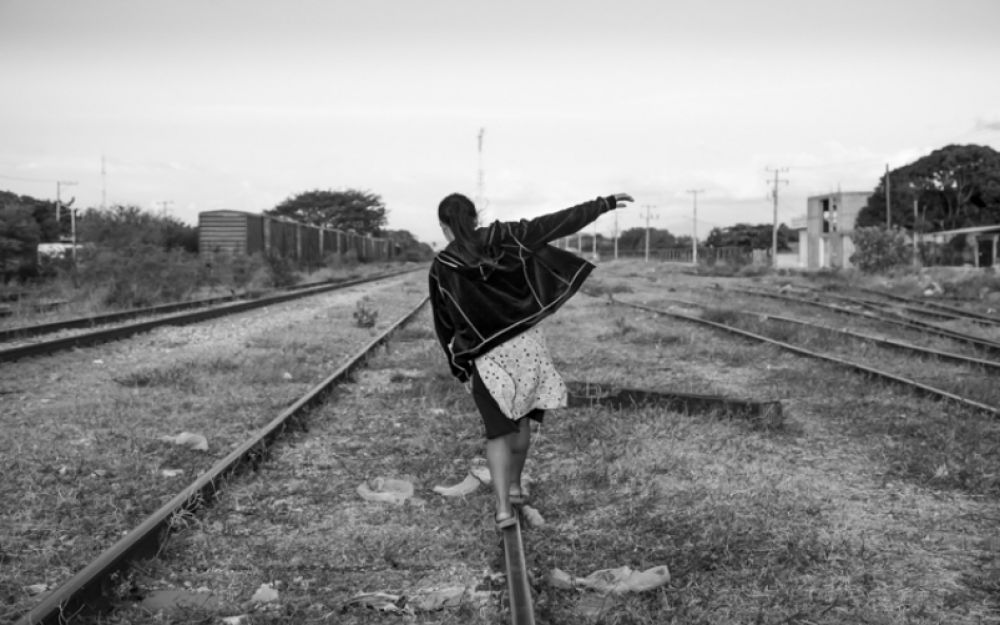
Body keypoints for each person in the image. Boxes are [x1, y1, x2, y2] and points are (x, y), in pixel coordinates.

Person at [428, 191, 634, 529]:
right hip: (527, 346)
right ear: (475, 219)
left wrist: (458, 366)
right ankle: (514, 486)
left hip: (486, 356)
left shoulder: (442, 266)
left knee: (497, 432)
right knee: (522, 424)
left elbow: (444, 322)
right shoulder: (505, 236)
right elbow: (554, 224)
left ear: (444, 226)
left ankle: (503, 509)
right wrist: (604, 204)